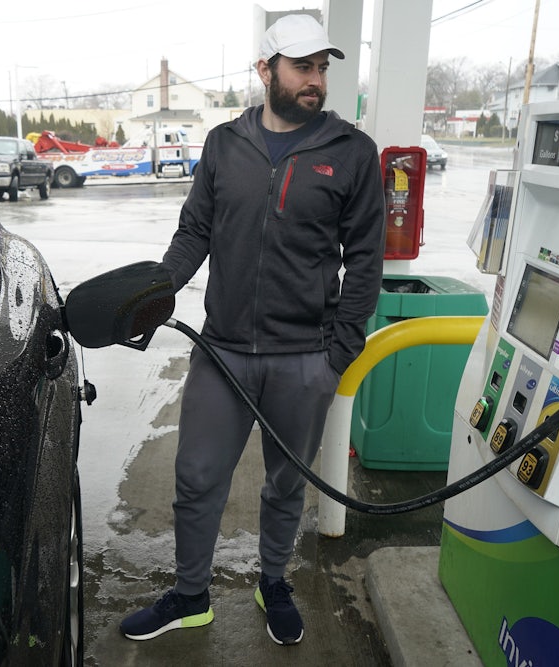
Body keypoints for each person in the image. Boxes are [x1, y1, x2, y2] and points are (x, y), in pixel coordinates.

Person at [119, 13, 385, 646]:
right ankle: (190, 596)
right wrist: (159, 291)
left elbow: (366, 261)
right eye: (302, 68)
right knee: (197, 477)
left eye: (322, 68)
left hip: (304, 358)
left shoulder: (351, 153)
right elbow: (195, 232)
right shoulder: (223, 145)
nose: (315, 81)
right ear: (266, 71)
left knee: (286, 483)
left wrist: (337, 355)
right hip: (224, 351)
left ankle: (273, 582)